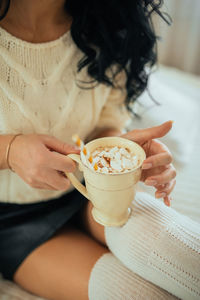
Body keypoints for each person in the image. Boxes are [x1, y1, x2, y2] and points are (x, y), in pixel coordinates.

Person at [0, 1, 199, 300]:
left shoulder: (111, 18)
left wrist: (120, 152)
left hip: (91, 186)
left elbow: (107, 119)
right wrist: (9, 151)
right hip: (9, 218)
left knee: (176, 251)